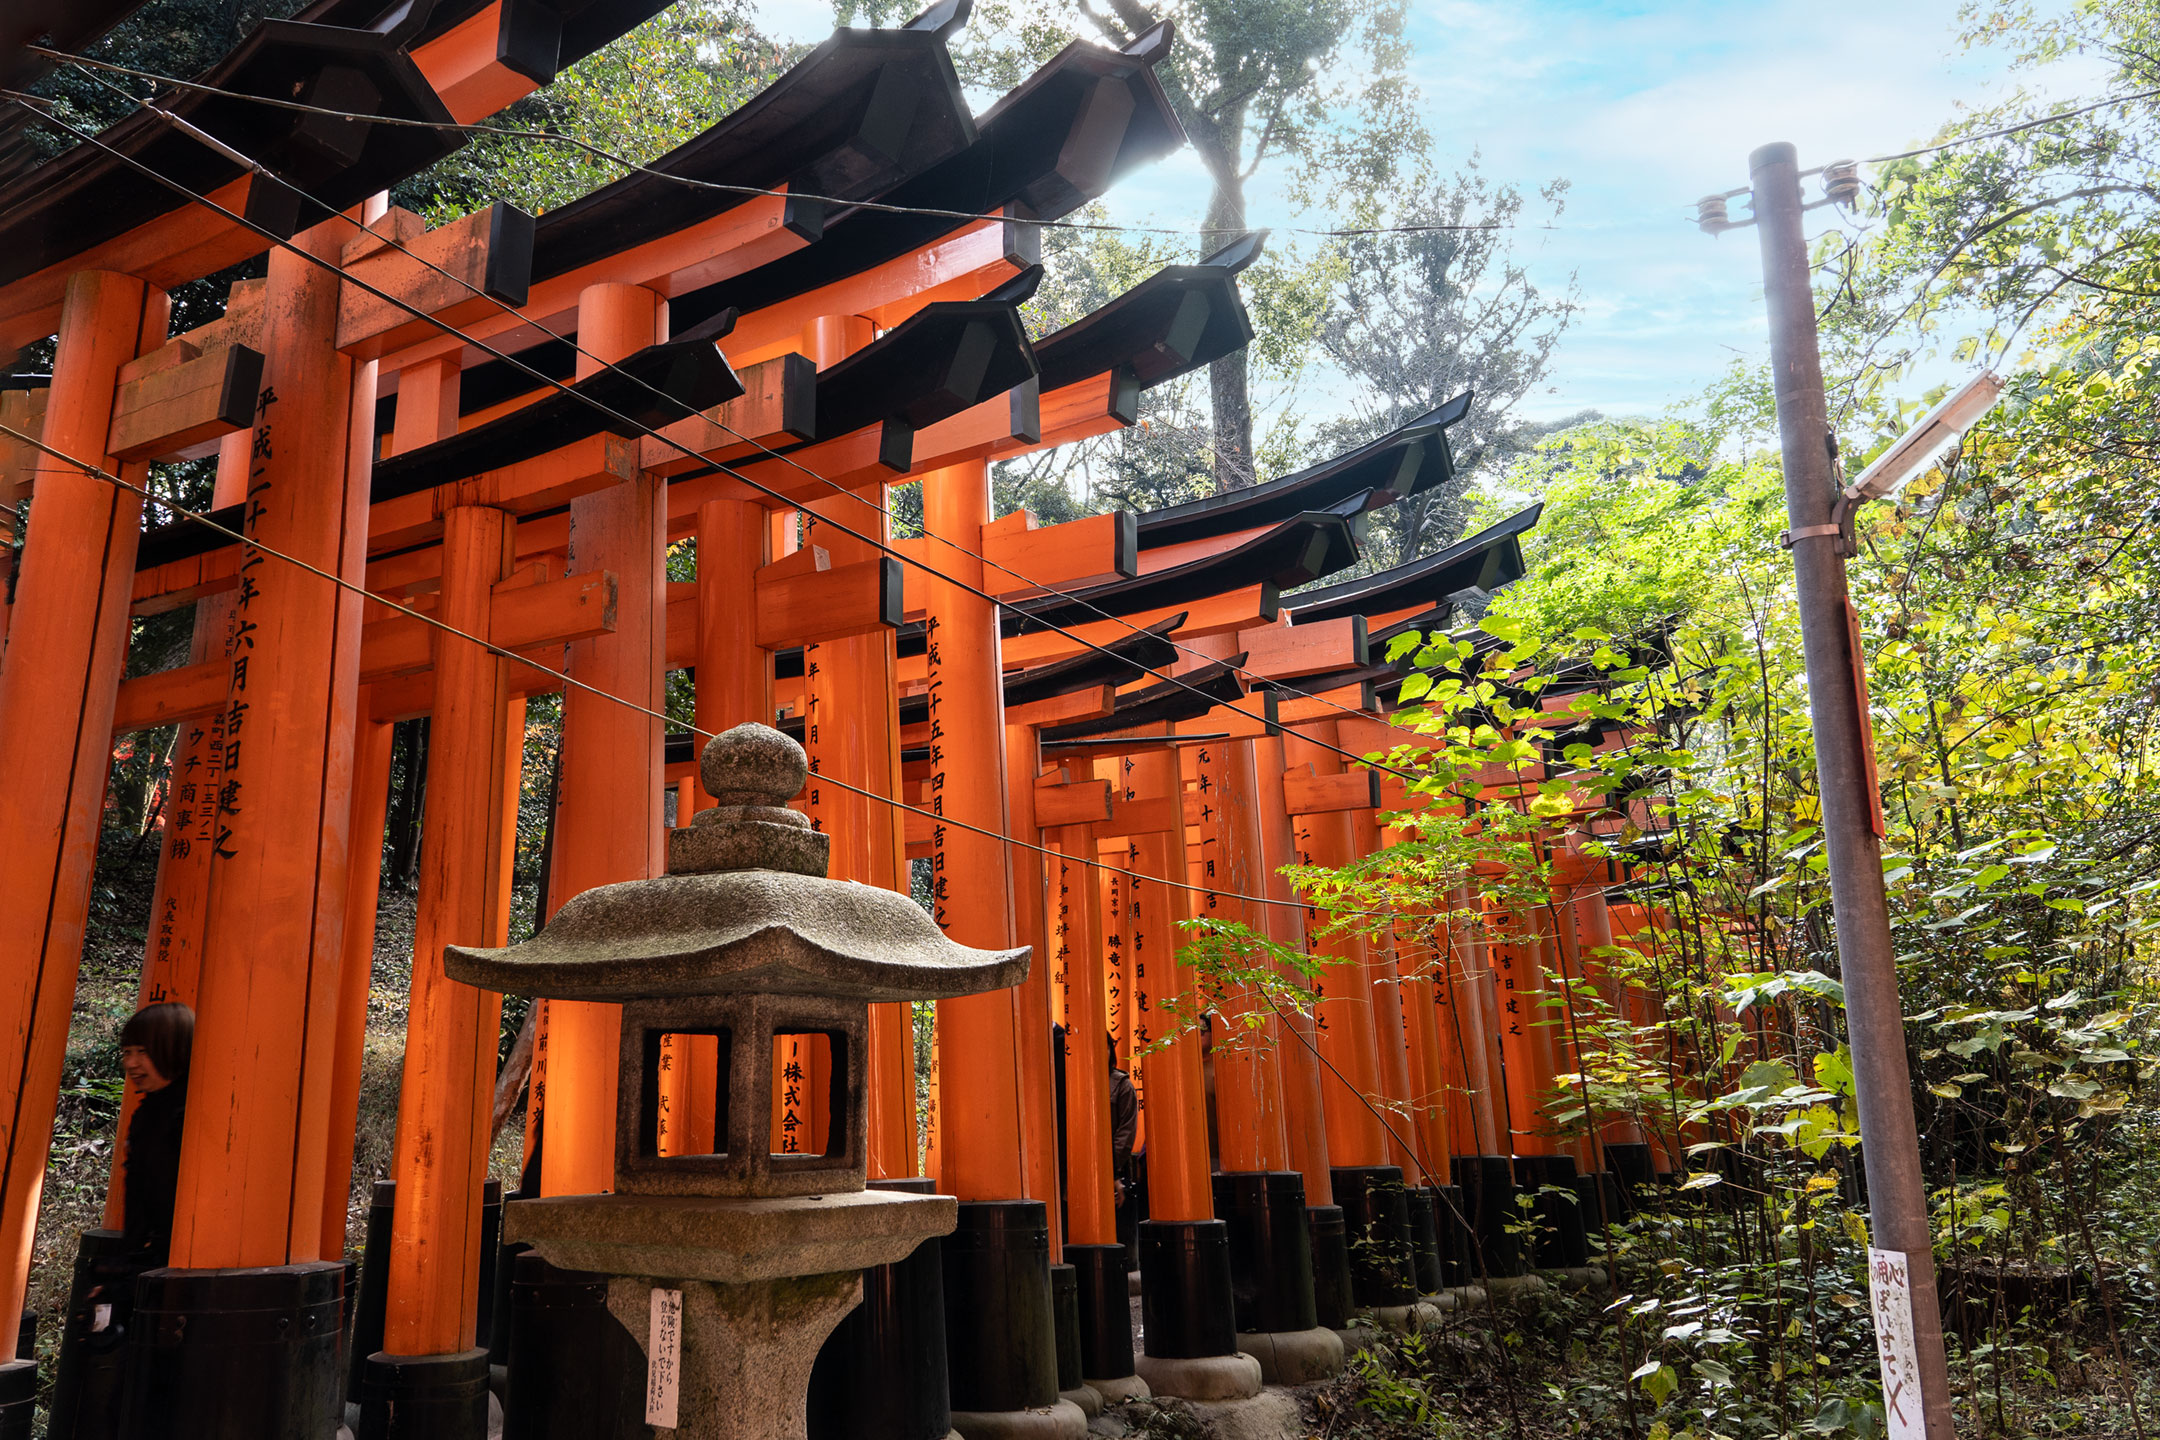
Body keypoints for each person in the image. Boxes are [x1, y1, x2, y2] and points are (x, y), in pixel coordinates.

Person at [116, 1001, 193, 1271]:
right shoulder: (147, 1112)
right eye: (127, 1052)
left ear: (175, 1049)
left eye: (143, 1052)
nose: (131, 1063)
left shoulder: (193, 1113)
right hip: (150, 1260)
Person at [1107, 1032, 1137, 1209]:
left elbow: (1126, 1134)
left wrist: (1110, 1168)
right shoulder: (1069, 1081)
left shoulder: (1122, 1086)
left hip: (1114, 1169)